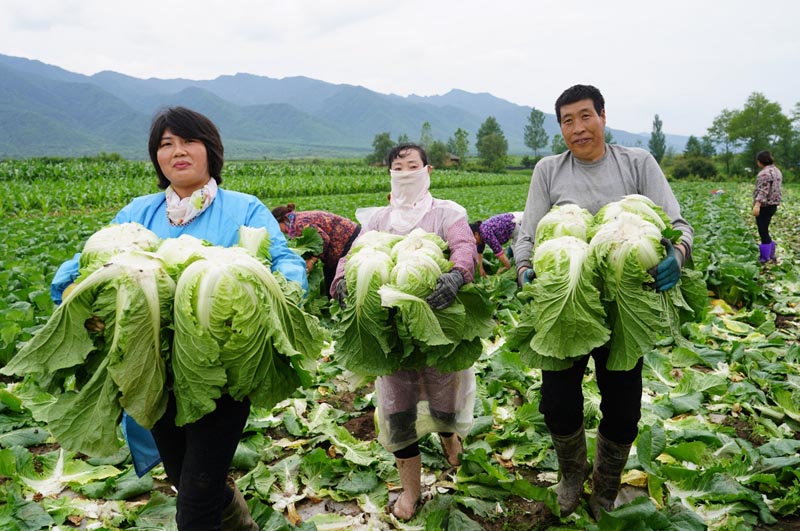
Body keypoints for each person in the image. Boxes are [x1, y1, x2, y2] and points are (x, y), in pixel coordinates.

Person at [50, 106, 307, 530]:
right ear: (157, 157)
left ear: (211, 151)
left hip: (223, 367)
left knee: (197, 491)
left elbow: (284, 262)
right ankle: (240, 522)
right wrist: (77, 297)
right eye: (166, 144)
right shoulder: (137, 214)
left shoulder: (245, 210)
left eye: (189, 141)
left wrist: (283, 293)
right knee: (183, 474)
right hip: (152, 367)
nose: (178, 151)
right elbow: (86, 264)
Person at [514, 85, 694, 520]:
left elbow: (678, 225)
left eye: (585, 116)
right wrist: (523, 269)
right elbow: (527, 234)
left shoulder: (638, 163)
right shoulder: (548, 170)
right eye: (567, 120)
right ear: (561, 128)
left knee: (624, 407)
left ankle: (607, 485)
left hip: (625, 306)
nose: (577, 128)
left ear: (603, 116)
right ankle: (571, 477)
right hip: (564, 301)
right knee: (557, 403)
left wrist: (677, 255)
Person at [330, 143, 476, 521]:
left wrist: (458, 274)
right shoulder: (378, 219)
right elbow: (353, 253)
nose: (406, 173)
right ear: (390, 174)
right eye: (398, 167)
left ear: (428, 171)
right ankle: (410, 492)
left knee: (444, 401)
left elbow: (464, 246)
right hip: (390, 337)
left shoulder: (447, 213)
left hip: (438, 327)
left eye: (413, 166)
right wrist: (342, 278)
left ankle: (450, 440)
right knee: (397, 411)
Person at [271, 204, 361, 296]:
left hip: (348, 239)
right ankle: (335, 299)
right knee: (330, 276)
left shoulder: (299, 224)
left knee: (336, 278)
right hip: (344, 239)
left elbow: (323, 239)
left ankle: (341, 300)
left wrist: (312, 261)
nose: (279, 231)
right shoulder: (296, 220)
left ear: (282, 221)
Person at [469, 212, 524, 276]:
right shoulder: (480, 232)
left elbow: (499, 252)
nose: (474, 243)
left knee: (519, 254)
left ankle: (522, 272)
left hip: (517, 223)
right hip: (513, 221)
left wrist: (507, 268)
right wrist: (481, 269)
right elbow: (479, 252)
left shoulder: (485, 234)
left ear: (476, 234)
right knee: (512, 252)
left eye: (473, 239)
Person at [752, 150, 782, 263]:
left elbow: (763, 191)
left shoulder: (764, 173)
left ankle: (765, 257)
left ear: (760, 161)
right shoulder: (777, 171)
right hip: (773, 205)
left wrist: (757, 205)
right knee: (765, 229)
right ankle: (771, 254)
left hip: (764, 206)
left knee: (763, 231)